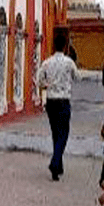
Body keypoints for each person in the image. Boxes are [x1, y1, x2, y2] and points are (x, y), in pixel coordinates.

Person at [36, 28, 79, 181]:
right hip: (63, 100)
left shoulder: (47, 62)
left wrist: (47, 85)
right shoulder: (69, 63)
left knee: (55, 133)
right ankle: (55, 162)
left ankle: (57, 168)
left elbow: (39, 80)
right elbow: (78, 77)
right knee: (64, 133)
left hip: (51, 100)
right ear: (65, 45)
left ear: (54, 46)